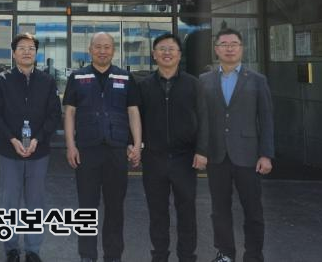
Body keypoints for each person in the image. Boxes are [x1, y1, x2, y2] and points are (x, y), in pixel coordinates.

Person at [63, 32, 142, 262]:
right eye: (98, 47)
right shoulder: (78, 77)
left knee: (115, 207)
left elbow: (133, 112)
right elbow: (69, 113)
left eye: (107, 47)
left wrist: (137, 145)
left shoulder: (125, 77)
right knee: (86, 208)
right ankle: (87, 256)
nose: (102, 51)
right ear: (90, 50)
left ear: (113, 50)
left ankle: (113, 256)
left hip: (116, 150)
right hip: (87, 150)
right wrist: (70, 146)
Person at [200, 28, 274, 262]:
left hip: (248, 155)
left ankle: (254, 255)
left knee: (253, 210)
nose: (229, 48)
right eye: (224, 44)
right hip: (216, 155)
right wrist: (200, 150)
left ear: (242, 48)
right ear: (216, 49)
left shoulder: (257, 80)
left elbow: (266, 119)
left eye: (234, 44)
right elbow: (201, 120)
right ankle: (225, 253)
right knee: (219, 210)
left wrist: (266, 154)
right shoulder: (204, 80)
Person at [0, 33, 62, 262]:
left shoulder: (47, 81)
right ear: (14, 53)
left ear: (36, 53)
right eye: (22, 48)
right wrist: (12, 138)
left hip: (38, 152)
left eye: (31, 48)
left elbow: (54, 115)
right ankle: (11, 249)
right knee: (10, 201)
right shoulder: (1, 80)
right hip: (9, 151)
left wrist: (38, 139)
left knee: (35, 202)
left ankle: (32, 250)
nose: (27, 52)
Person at [138, 33, 208, 262]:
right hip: (153, 158)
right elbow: (136, 119)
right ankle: (159, 256)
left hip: (185, 158)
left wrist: (202, 150)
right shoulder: (144, 86)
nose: (166, 53)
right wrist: (135, 145)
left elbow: (204, 119)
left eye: (171, 49)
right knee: (157, 212)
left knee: (186, 211)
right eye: (162, 49)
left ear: (179, 54)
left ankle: (187, 256)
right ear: (154, 54)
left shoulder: (193, 84)